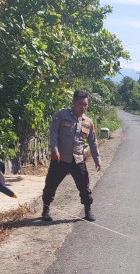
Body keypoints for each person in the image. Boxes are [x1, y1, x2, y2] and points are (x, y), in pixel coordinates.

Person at [41, 90, 102, 222]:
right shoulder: (61, 115)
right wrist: (54, 149)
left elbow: (93, 142)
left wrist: (97, 159)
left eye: (85, 104)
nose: (83, 107)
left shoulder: (88, 122)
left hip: (78, 160)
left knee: (84, 186)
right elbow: (54, 133)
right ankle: (45, 209)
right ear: (73, 103)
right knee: (50, 185)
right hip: (60, 159)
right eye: (80, 104)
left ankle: (88, 210)